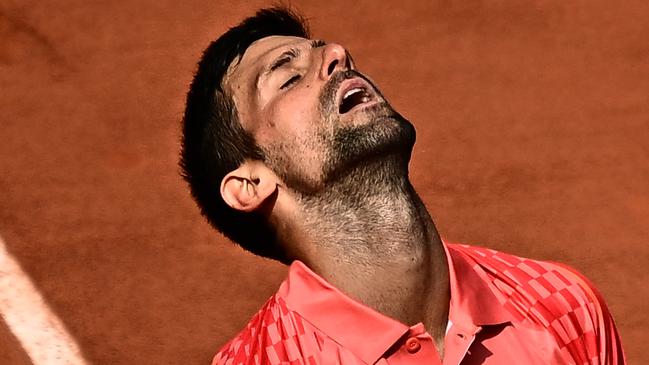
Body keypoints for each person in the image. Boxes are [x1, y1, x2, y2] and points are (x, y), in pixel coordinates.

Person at [179, 7, 625, 365]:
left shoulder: (562, 304)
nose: (337, 53)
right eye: (289, 76)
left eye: (325, 50)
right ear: (250, 183)